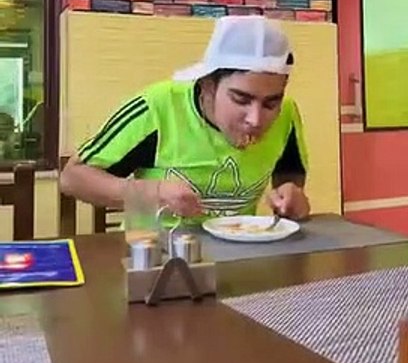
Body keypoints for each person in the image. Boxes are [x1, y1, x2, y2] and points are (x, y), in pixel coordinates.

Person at [60, 15, 310, 222]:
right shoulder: (157, 108)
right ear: (208, 85)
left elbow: (289, 173)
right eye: (241, 99)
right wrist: (154, 192)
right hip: (158, 254)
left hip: (238, 254)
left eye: (271, 103)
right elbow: (72, 178)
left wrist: (291, 194)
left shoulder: (286, 114)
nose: (255, 119)